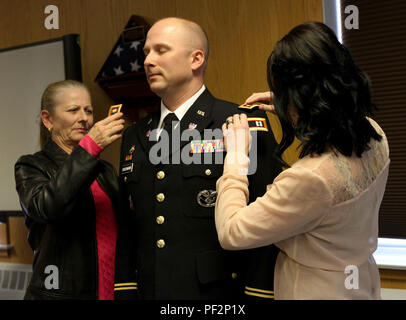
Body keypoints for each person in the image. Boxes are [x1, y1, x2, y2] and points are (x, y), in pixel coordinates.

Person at [215, 21, 390, 300]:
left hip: (314, 290)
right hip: (360, 283)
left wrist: (236, 157)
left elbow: (232, 231)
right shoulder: (375, 134)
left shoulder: (311, 178)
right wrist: (290, 104)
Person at [119, 17, 282, 299]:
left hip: (215, 295)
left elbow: (267, 223)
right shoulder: (135, 134)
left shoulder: (241, 123)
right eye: (146, 52)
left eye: (161, 50)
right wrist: (124, 290)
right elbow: (129, 227)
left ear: (196, 59)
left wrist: (259, 294)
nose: (147, 61)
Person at [14, 80, 136, 300]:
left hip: (111, 291)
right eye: (73, 110)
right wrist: (90, 148)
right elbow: (47, 207)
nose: (85, 118)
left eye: (88, 110)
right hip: (60, 294)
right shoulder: (31, 166)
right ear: (47, 119)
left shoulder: (104, 170)